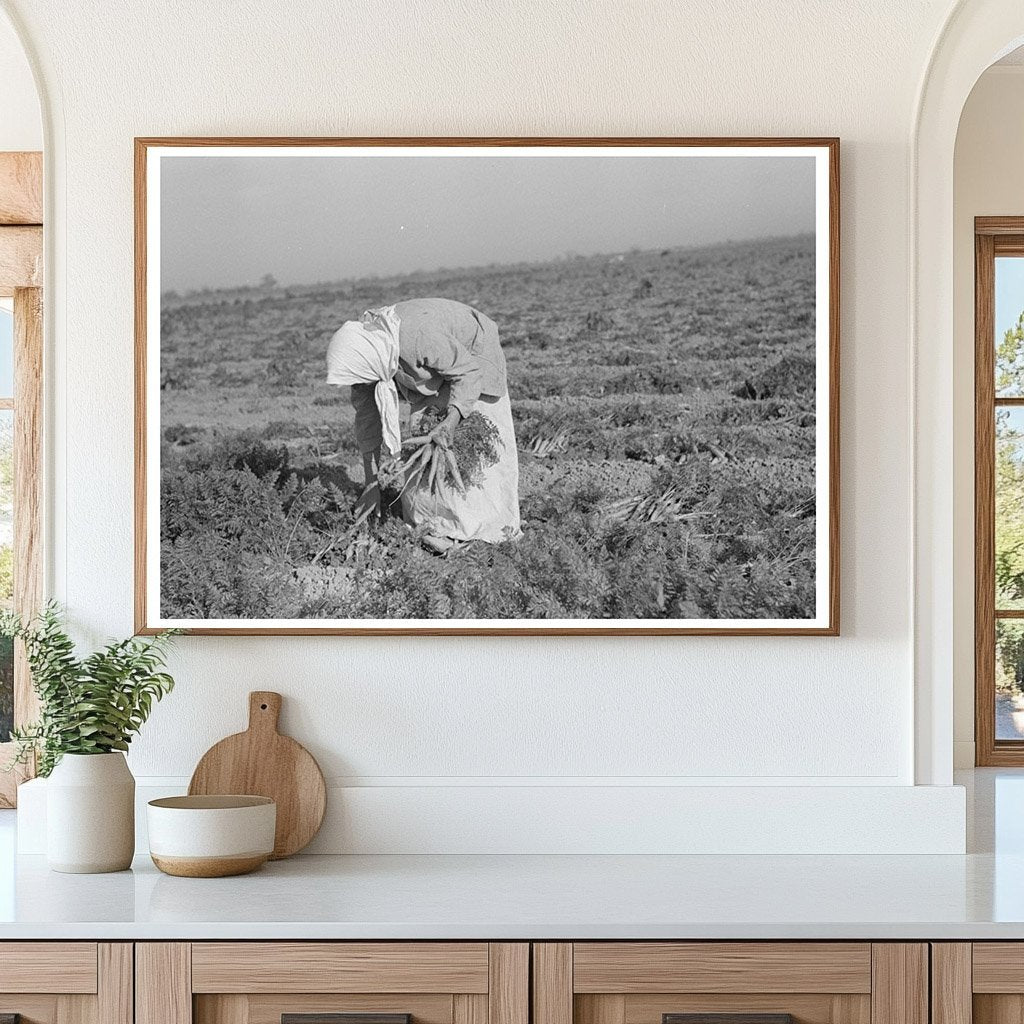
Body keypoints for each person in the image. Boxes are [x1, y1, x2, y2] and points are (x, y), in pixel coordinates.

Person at [326, 297, 521, 551]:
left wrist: (451, 422)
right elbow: (367, 424)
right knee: (422, 451)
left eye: (361, 381)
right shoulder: (368, 362)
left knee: (480, 449)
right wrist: (371, 485)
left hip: (473, 355)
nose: (361, 385)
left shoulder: (416, 338)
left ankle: (488, 533)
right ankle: (432, 526)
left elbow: (468, 374)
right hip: (430, 370)